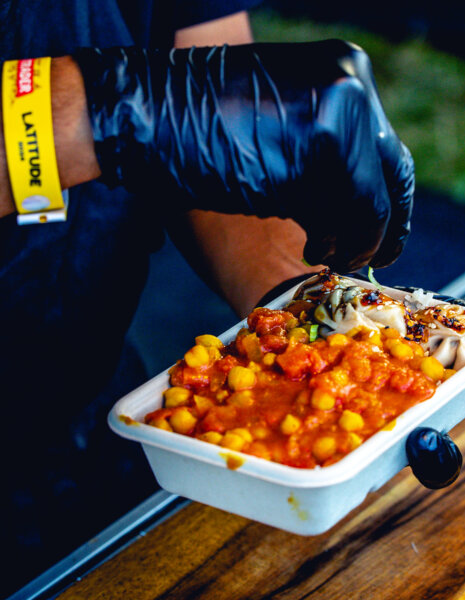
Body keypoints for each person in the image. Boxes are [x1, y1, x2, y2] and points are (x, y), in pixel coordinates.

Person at [0, 1, 414, 594]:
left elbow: (210, 115)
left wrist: (308, 311)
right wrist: (109, 112)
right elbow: (173, 112)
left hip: (99, 412)